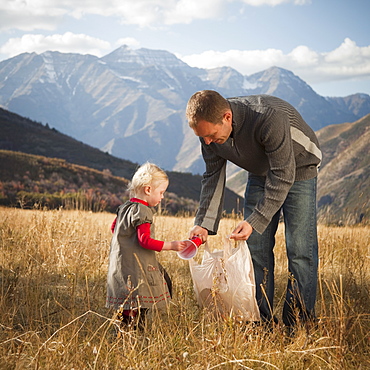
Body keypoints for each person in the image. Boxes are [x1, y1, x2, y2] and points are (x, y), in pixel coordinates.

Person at [186, 90, 322, 332]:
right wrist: (203, 224)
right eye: (202, 137)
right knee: (255, 249)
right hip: (260, 172)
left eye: (210, 135)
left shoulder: (269, 118)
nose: (206, 142)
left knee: (300, 250)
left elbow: (283, 175)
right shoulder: (208, 135)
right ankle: (261, 322)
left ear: (227, 117)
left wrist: (255, 219)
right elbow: (212, 176)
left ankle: (298, 324)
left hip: (299, 168)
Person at [106, 162, 188, 330]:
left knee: (129, 304)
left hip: (122, 263)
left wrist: (126, 241)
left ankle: (127, 331)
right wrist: (171, 245)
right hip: (136, 267)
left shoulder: (125, 207)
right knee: (139, 299)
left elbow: (114, 228)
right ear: (148, 190)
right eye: (161, 193)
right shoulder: (142, 210)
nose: (162, 197)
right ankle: (131, 333)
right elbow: (145, 241)